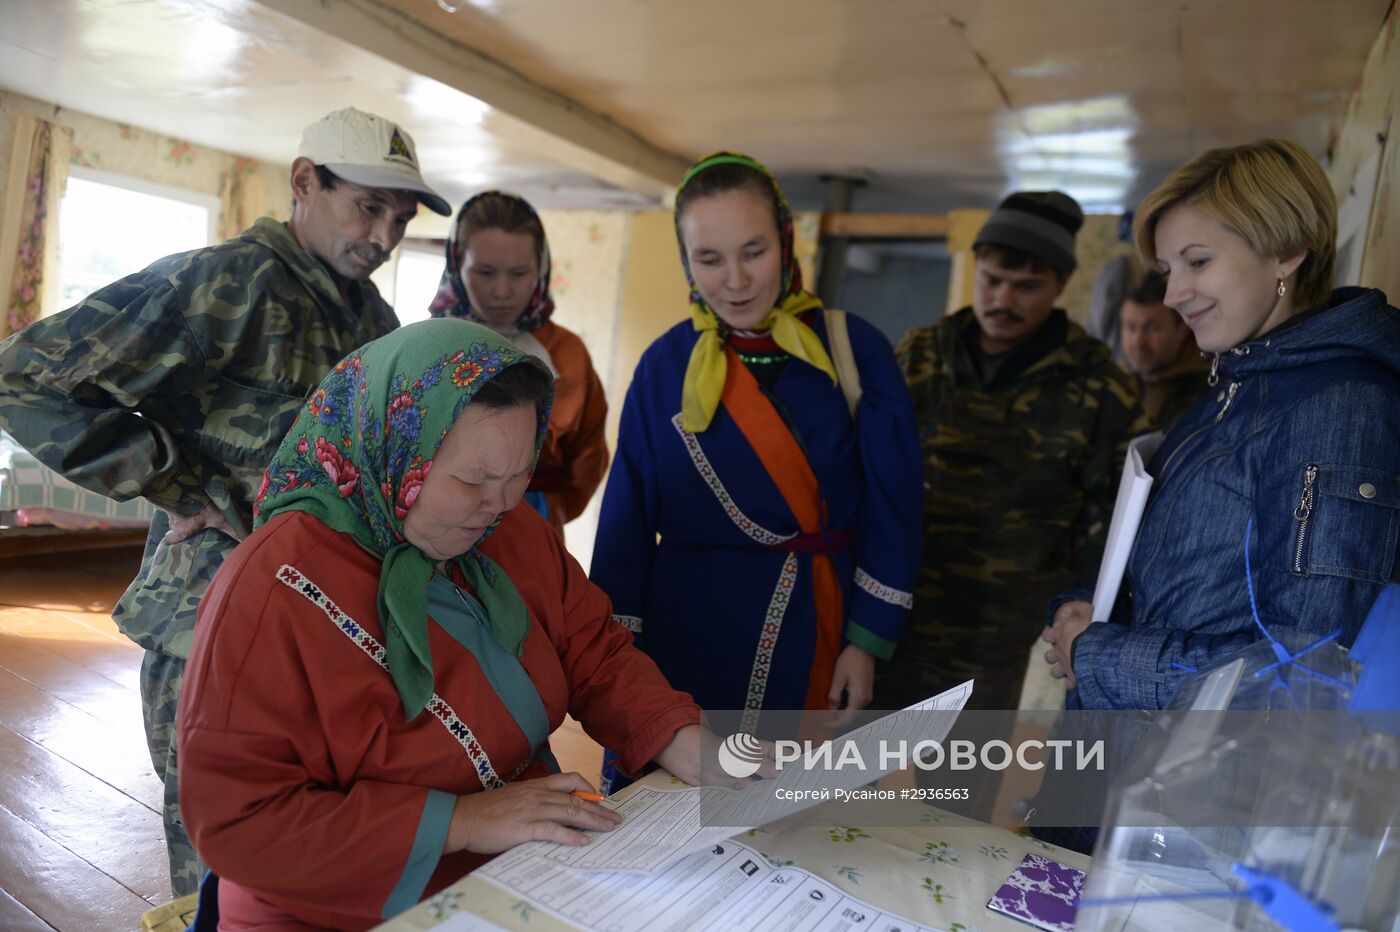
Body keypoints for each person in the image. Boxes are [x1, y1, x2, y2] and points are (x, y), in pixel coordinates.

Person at [0, 106, 450, 896]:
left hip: (325, 631)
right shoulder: (224, 282)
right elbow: (25, 378)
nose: (383, 237)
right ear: (305, 181)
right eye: (368, 207)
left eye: (400, 218)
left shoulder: (374, 319)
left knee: (315, 862)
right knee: (223, 873)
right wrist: (174, 480)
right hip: (209, 628)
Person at [179, 319, 730, 931]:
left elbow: (595, 655)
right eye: (472, 481)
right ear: (394, 453)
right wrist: (464, 821)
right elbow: (240, 824)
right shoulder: (273, 589)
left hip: (520, 865)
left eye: (519, 475)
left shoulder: (508, 533)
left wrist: (682, 739)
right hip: (339, 906)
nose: (499, 504)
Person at [1043, 139, 1400, 711]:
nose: (1172, 294)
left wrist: (1101, 655)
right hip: (1137, 760)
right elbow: (1190, 584)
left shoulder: (1339, 405)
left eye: (1198, 261)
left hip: (1201, 789)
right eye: (1166, 269)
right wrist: (1088, 610)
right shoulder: (1238, 381)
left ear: (1286, 251)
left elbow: (1308, 674)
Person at [590, 152, 921, 737]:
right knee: (681, 802)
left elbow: (893, 509)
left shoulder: (853, 349)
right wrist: (619, 656)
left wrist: (865, 642)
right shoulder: (664, 365)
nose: (736, 281)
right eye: (709, 260)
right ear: (684, 259)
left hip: (816, 626)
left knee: (786, 813)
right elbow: (626, 526)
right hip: (684, 632)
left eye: (754, 252)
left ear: (787, 239)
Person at [880, 191, 1149, 713]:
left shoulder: (1099, 389)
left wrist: (1068, 597)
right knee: (846, 785)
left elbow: (1121, 516)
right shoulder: (919, 356)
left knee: (958, 791)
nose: (1003, 299)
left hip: (994, 640)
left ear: (1062, 284)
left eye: (1026, 287)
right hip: (890, 623)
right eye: (992, 280)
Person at [429, 191, 609, 534]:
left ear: (540, 269)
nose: (502, 291)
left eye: (519, 273)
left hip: (537, 524)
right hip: (439, 526)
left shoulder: (567, 352)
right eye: (485, 272)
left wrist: (547, 508)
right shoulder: (430, 346)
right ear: (456, 264)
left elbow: (589, 458)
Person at [1119, 270, 1209, 432]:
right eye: (1131, 328)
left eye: (1152, 328)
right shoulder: (1118, 383)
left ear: (1181, 331)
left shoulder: (1204, 394)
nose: (1138, 342)